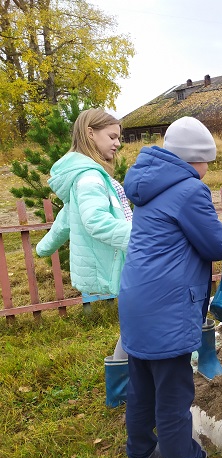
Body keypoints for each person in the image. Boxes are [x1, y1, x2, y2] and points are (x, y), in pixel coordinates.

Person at [118, 116, 222, 458]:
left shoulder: (150, 185)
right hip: (167, 305)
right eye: (208, 160)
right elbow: (213, 241)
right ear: (196, 157)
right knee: (174, 393)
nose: (208, 168)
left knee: (141, 387)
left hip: (136, 298)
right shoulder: (189, 190)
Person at [35, 108, 132, 408]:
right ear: (91, 132)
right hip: (122, 261)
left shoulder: (86, 173)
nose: (117, 143)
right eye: (112, 136)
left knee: (135, 323)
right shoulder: (90, 176)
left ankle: (120, 390)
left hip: (122, 258)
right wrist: (144, 237)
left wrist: (44, 246)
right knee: (143, 320)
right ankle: (129, 389)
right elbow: (95, 221)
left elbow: (68, 216)